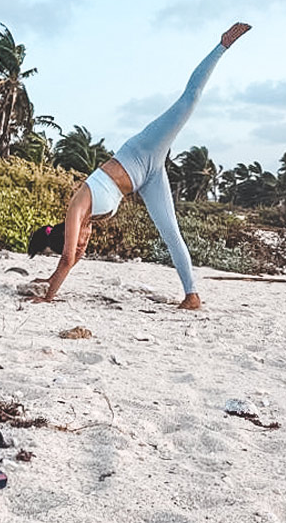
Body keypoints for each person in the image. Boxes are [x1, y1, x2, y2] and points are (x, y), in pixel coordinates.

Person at [27, 22, 252, 309]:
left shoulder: (77, 209)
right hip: (149, 178)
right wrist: (50, 280)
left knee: (188, 101)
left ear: (65, 235)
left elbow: (67, 259)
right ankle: (192, 296)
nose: (83, 243)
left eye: (76, 242)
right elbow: (70, 261)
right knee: (171, 234)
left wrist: (47, 297)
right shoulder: (84, 224)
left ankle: (222, 45)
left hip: (143, 150)